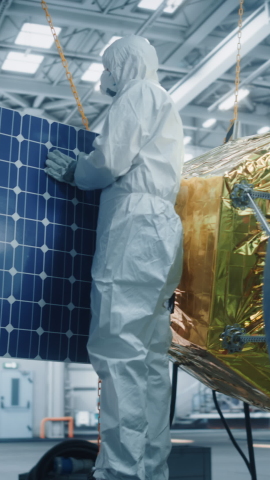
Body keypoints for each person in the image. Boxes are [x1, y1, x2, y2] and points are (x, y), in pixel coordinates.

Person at [45, 35, 185, 480]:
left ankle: (121, 473)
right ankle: (150, 470)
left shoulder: (138, 94)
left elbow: (108, 161)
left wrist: (76, 171)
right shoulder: (164, 103)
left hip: (133, 224)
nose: (104, 77)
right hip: (162, 229)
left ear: (123, 66)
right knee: (149, 359)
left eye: (107, 68)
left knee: (118, 349)